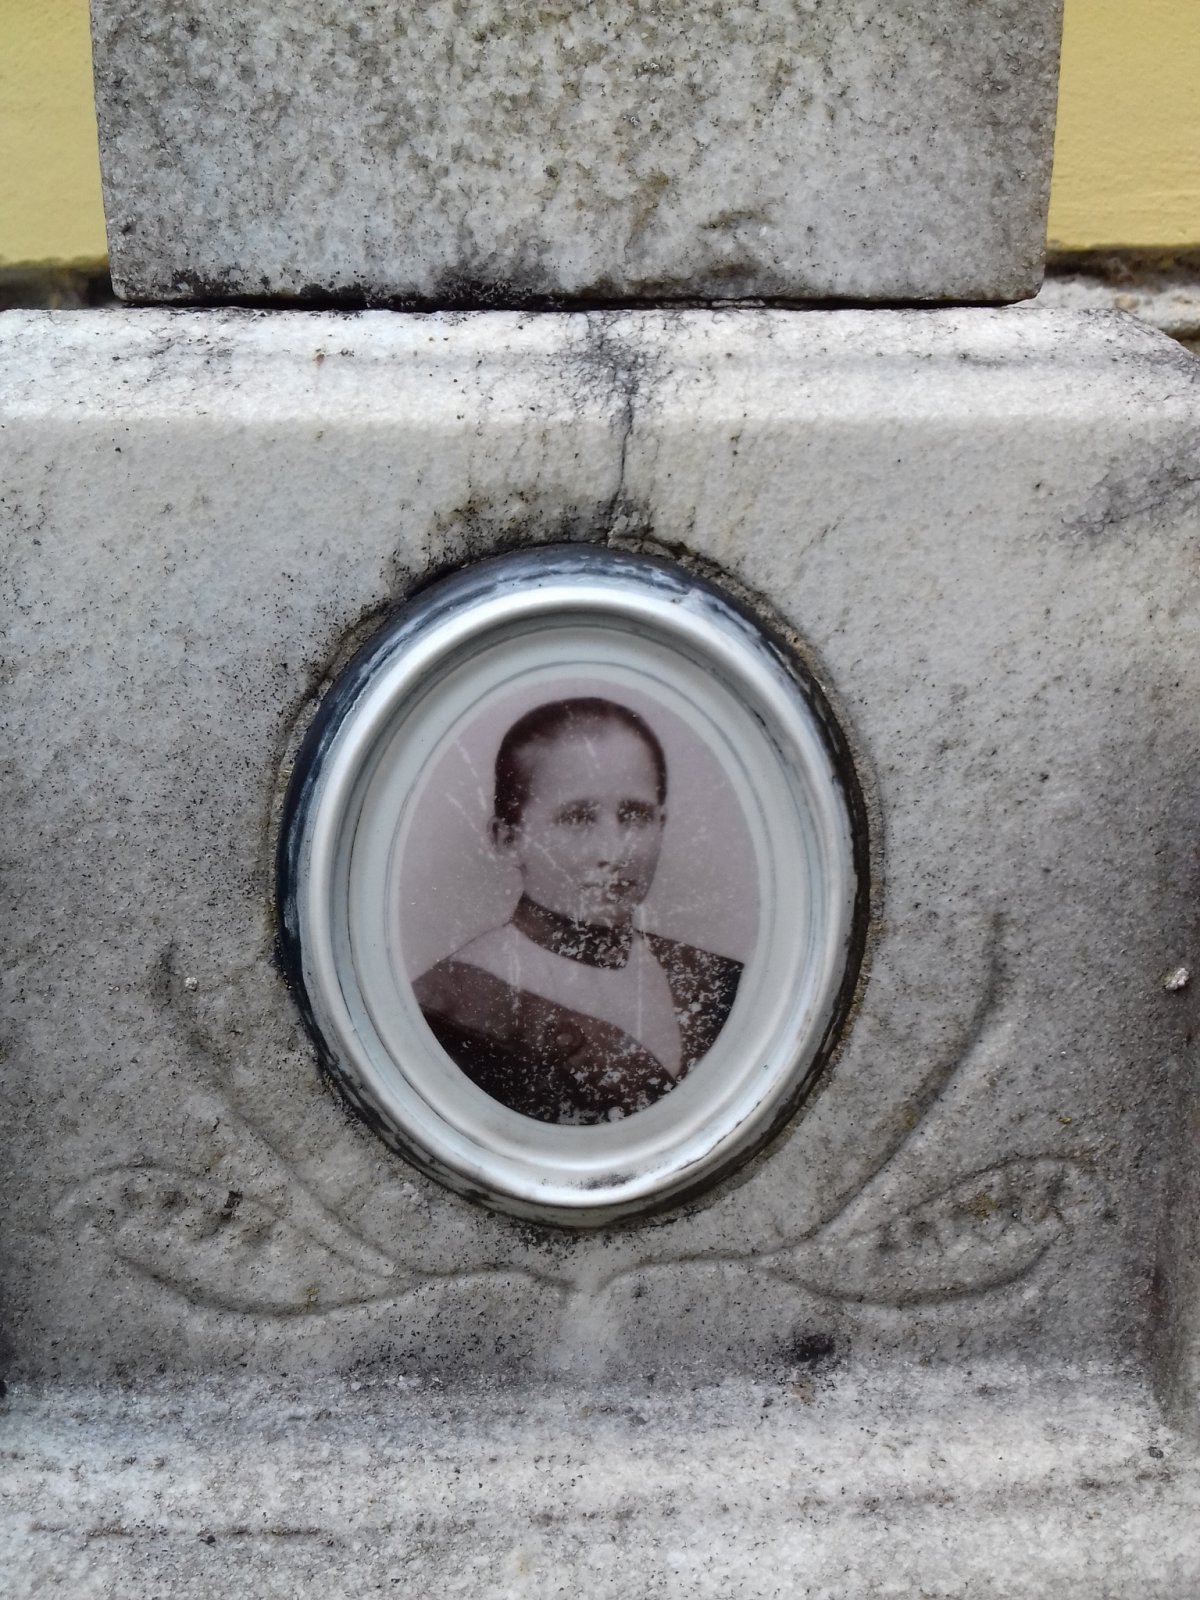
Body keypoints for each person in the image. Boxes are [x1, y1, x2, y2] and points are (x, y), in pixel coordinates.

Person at [412, 698, 743, 1124]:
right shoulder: (453, 1009)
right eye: (578, 818)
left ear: (661, 824)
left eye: (635, 816)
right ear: (508, 840)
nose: (612, 851)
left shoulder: (713, 982)